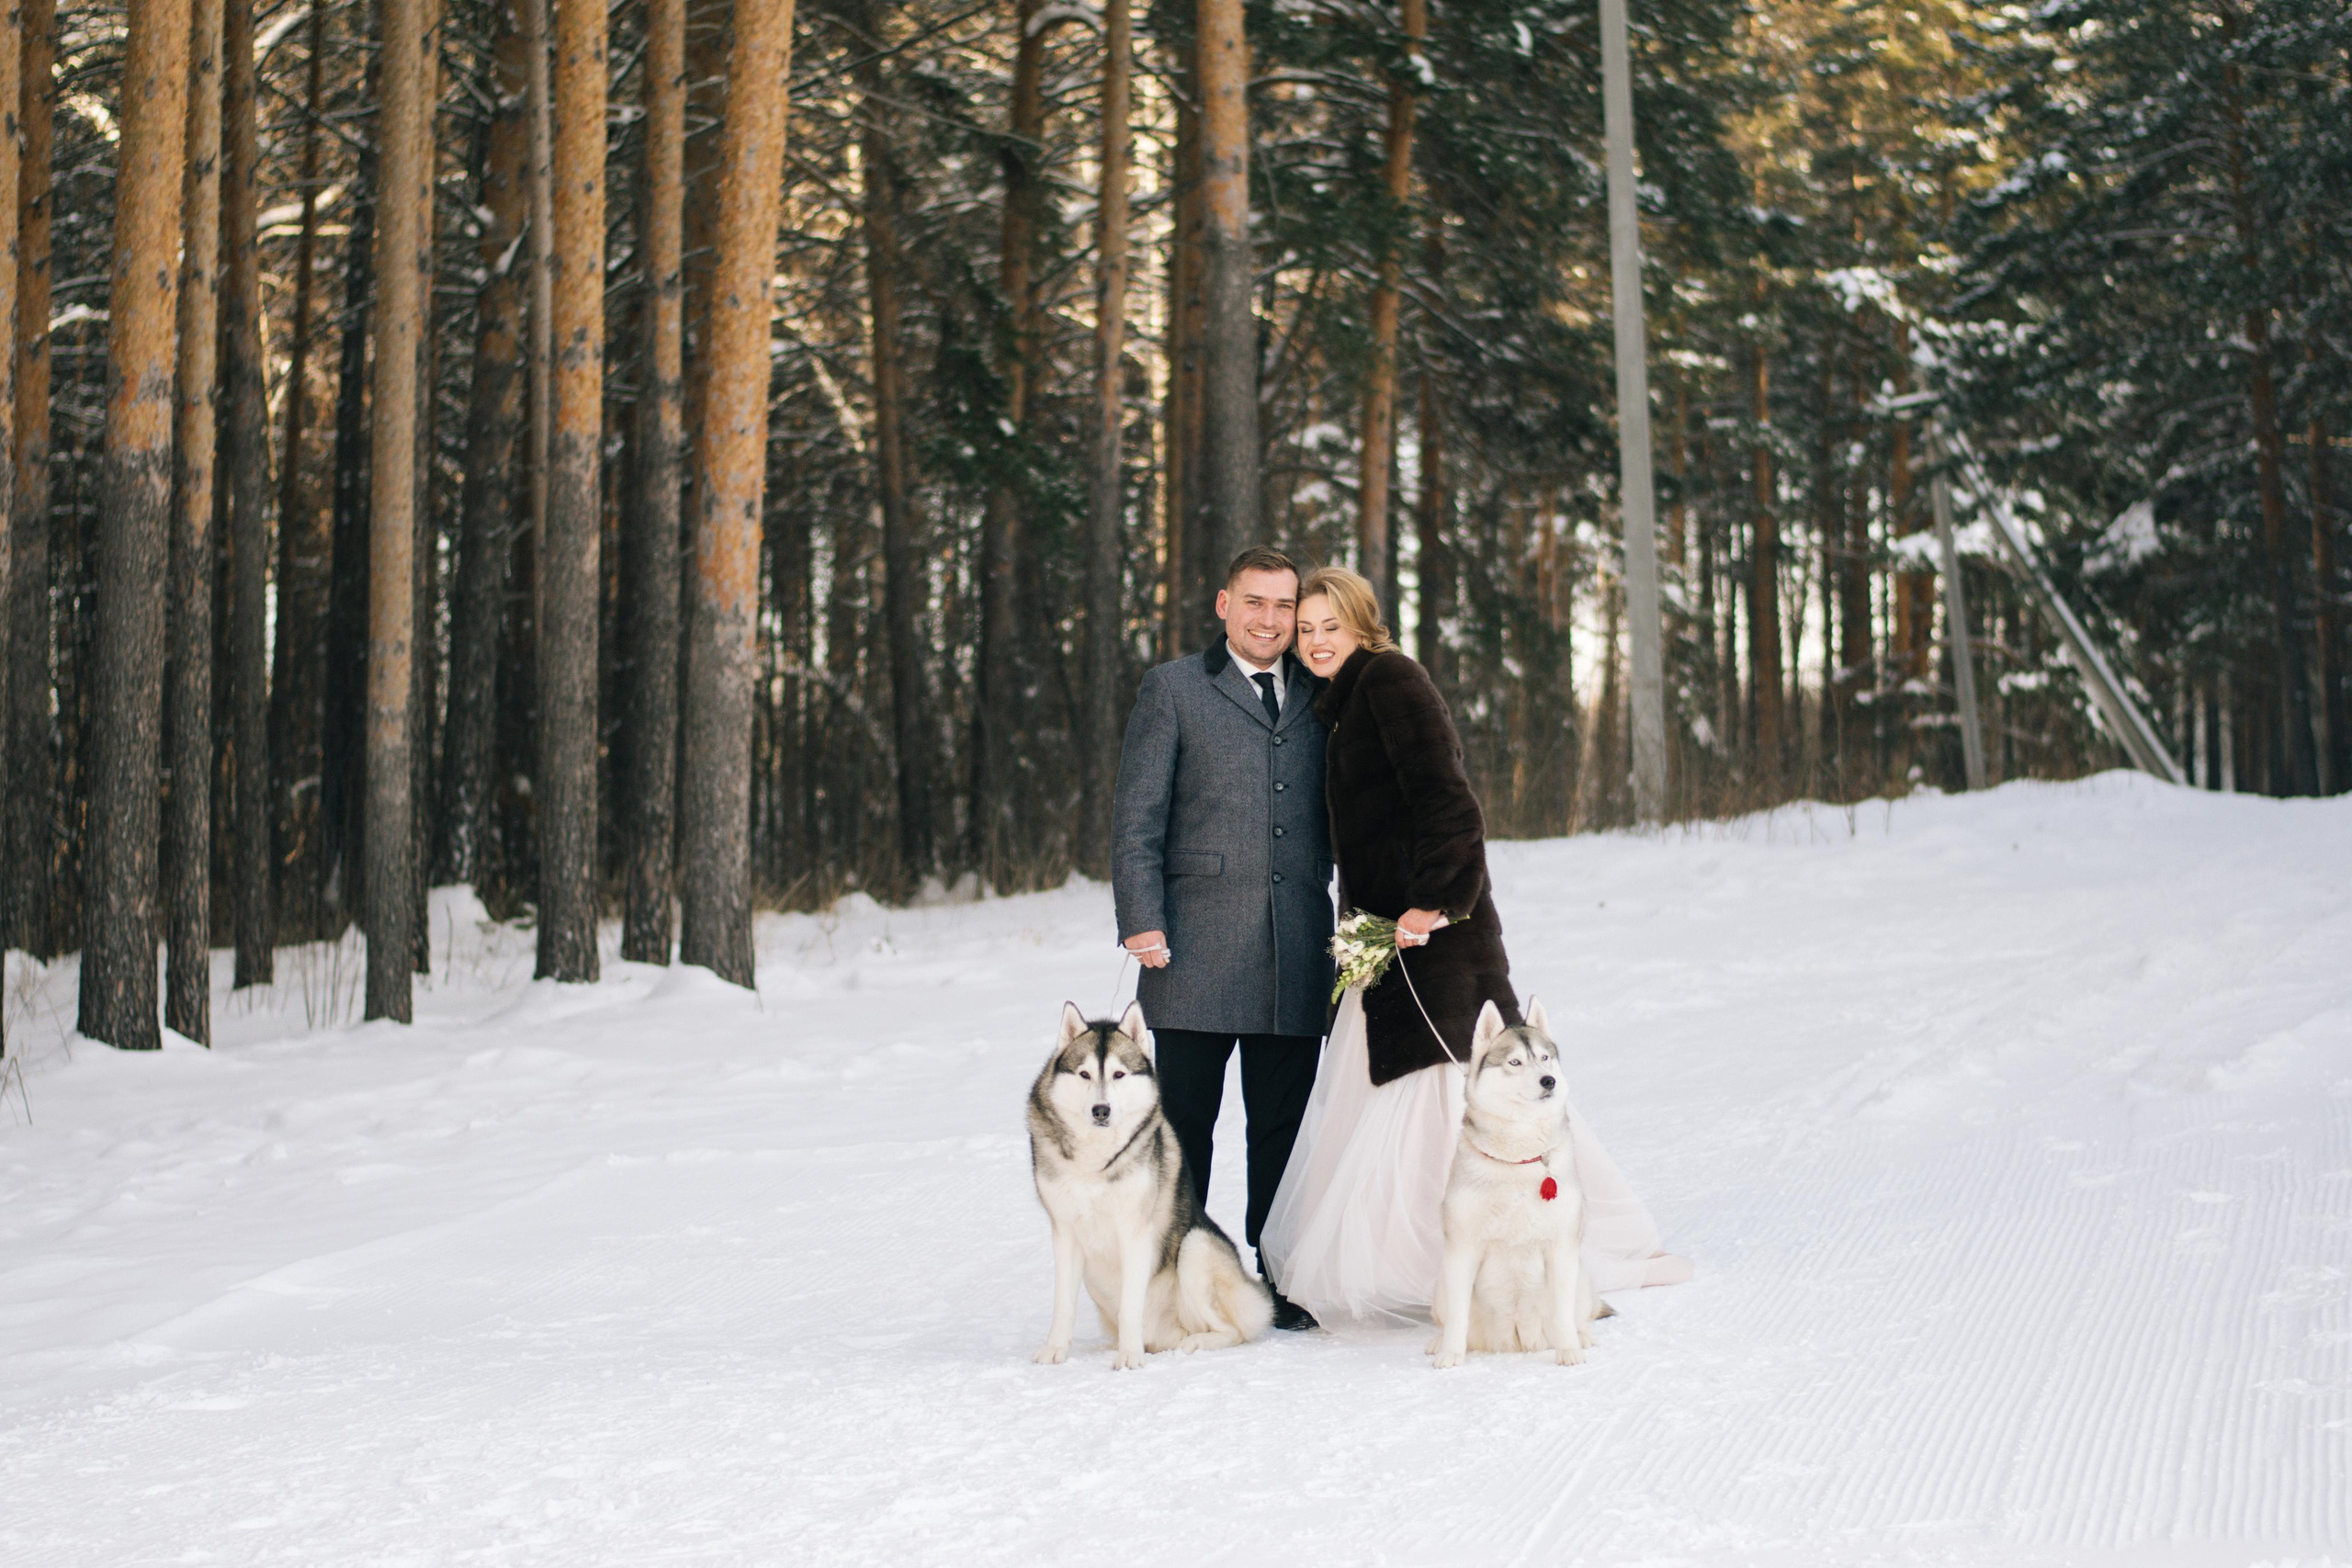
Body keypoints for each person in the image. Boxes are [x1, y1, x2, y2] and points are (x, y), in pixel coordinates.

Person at [1258, 565, 1690, 1327]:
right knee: (1396, 1097)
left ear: (1363, 625)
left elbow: (1448, 799)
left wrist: (1433, 901)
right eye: (1307, 629)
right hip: (1384, 943)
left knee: (1454, 1094)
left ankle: (1516, 1257)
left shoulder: (1391, 680)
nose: (1317, 641)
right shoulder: (1340, 703)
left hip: (1434, 940)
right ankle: (1439, 1263)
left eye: (1332, 626)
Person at [1110, 547, 1333, 1331]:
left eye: (1284, 605)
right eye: (1255, 603)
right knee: (1184, 1130)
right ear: (1223, 604)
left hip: (1297, 948)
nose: (1271, 620)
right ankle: (1180, 1281)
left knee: (1284, 1126)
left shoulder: (1322, 688)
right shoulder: (1173, 688)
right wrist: (1140, 914)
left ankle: (1281, 1277)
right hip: (1192, 948)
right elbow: (1138, 815)